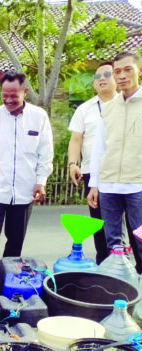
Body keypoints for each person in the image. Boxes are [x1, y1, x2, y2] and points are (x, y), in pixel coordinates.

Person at [0, 70, 53, 258]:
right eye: (4, 95)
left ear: (24, 92)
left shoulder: (39, 117)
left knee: (16, 241)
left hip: (25, 191)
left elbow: (45, 152)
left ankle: (7, 279)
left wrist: (41, 181)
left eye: (13, 96)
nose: (8, 100)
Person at [88, 51, 142, 256]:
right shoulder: (108, 109)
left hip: (138, 184)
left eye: (128, 70)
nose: (122, 76)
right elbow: (99, 148)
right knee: (114, 245)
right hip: (109, 186)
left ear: (139, 71)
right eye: (117, 71)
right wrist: (94, 183)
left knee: (141, 243)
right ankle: (121, 286)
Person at [68, 62, 117, 265]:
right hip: (93, 172)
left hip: (125, 173)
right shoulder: (85, 109)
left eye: (107, 74)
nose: (102, 79)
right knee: (99, 223)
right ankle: (104, 264)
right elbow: (76, 139)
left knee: (133, 223)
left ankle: (131, 267)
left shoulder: (128, 105)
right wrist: (73, 163)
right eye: (97, 77)